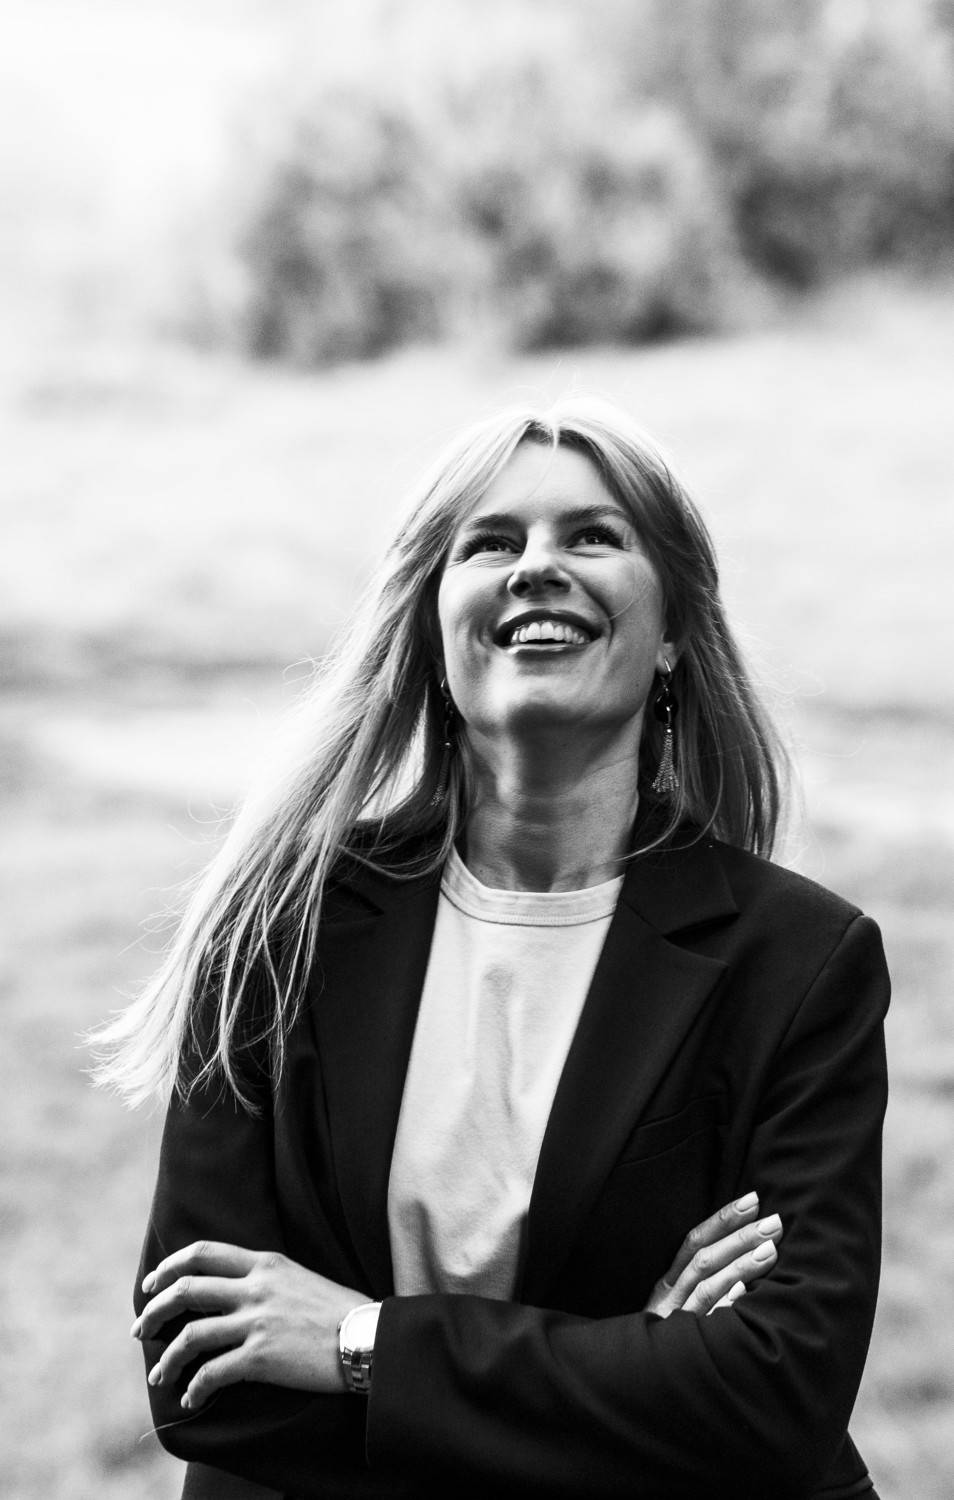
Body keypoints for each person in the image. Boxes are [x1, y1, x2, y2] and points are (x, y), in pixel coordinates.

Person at [99, 398, 889, 1499]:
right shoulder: (277, 923)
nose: (538, 567)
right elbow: (205, 1380)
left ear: (672, 630)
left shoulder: (802, 963)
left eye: (594, 536)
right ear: (431, 628)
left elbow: (777, 1394)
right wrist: (633, 1375)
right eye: (492, 542)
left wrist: (360, 1343)